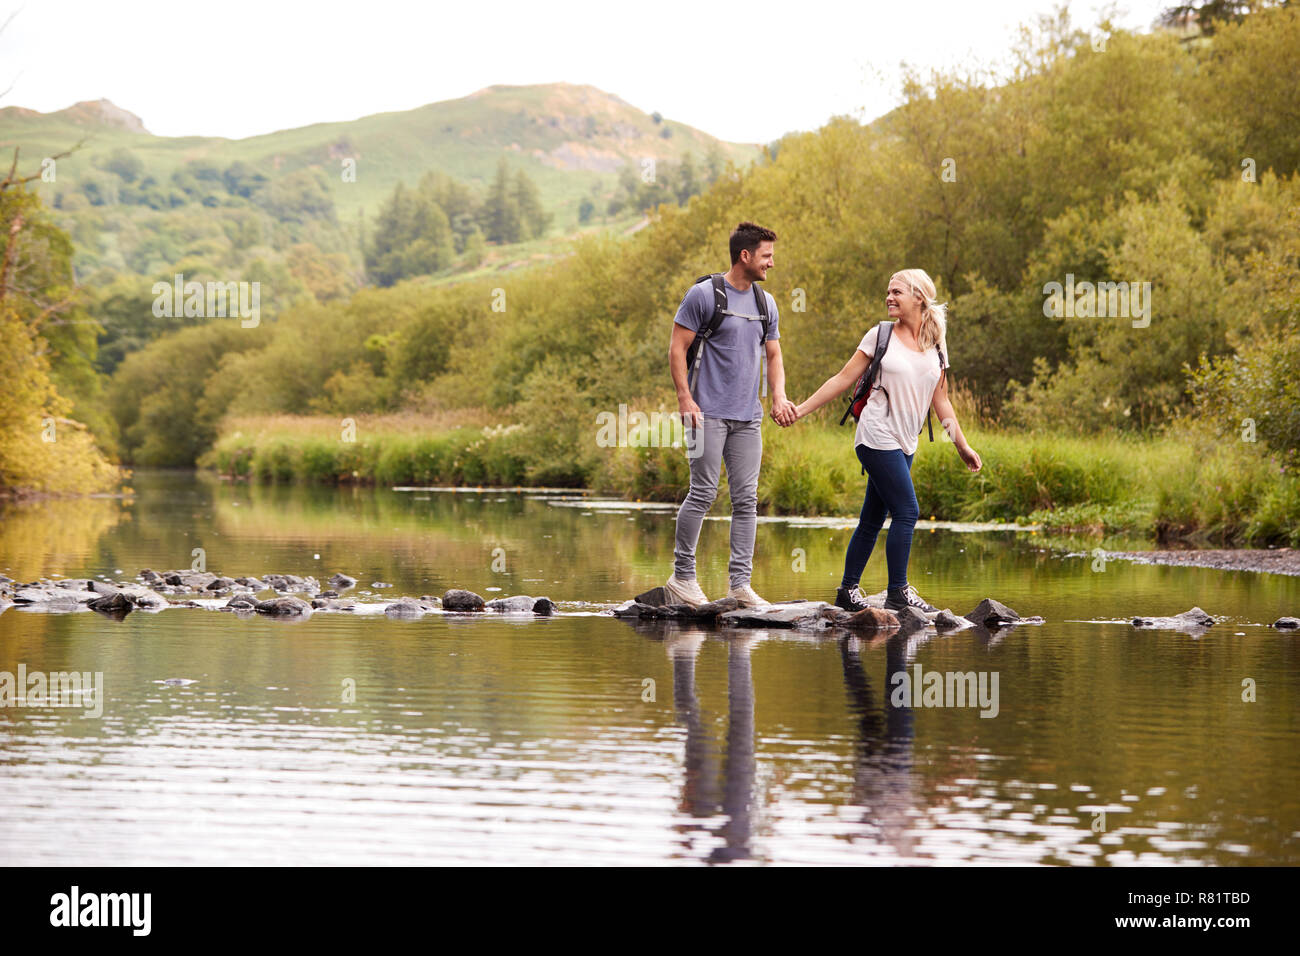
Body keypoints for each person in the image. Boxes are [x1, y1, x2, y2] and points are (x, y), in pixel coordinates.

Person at [784, 269, 981, 614]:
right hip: (876, 434)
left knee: (872, 518)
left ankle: (847, 590)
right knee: (907, 510)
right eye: (887, 292)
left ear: (919, 297)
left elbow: (942, 400)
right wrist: (799, 411)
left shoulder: (935, 341)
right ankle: (897, 591)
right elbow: (843, 379)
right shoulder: (880, 335)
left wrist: (962, 446)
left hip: (907, 440)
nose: (889, 298)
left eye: (896, 292)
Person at [664, 222, 797, 608]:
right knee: (703, 492)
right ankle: (682, 576)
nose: (771, 263)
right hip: (705, 414)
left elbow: (773, 355)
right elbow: (676, 348)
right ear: (746, 256)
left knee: (746, 499)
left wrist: (779, 397)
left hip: (747, 418)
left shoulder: (765, 303)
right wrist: (684, 399)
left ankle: (740, 585)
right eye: (767, 255)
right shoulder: (704, 295)